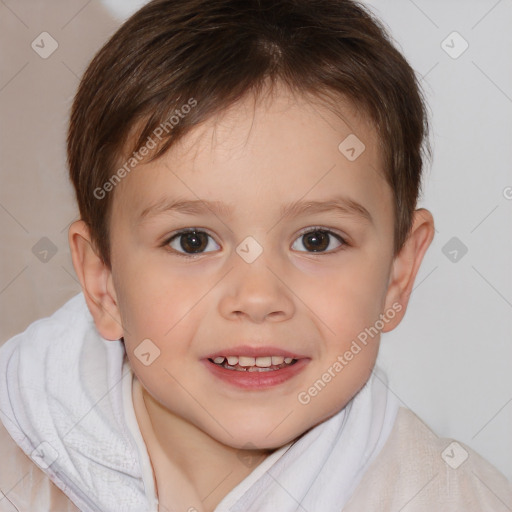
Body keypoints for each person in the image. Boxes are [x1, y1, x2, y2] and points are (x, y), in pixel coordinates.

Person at [0, 0, 510, 510]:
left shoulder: (452, 497)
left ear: (398, 275)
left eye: (317, 240)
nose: (259, 297)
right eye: (192, 241)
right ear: (102, 281)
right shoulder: (17, 467)